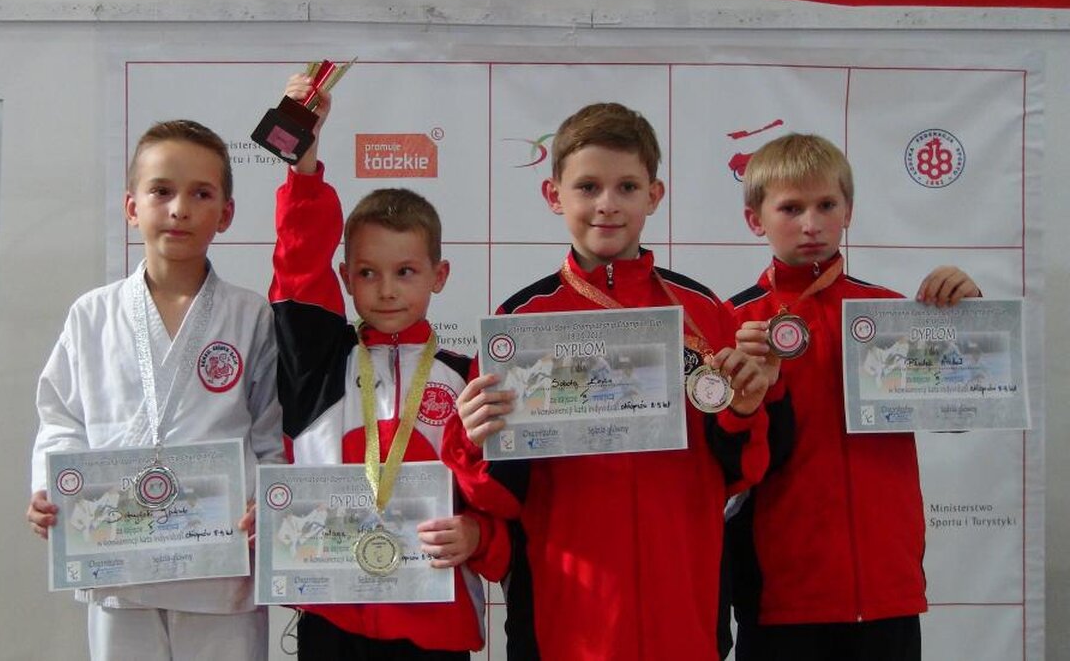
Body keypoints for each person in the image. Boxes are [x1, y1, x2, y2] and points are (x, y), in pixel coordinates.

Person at [445, 102, 778, 661]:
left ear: (654, 195)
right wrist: (477, 440)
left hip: (683, 603)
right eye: (588, 187)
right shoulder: (519, 325)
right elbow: (495, 495)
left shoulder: (704, 314)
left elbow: (741, 473)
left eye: (627, 187)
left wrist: (743, 411)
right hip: (567, 614)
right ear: (554, 195)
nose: (607, 204)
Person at [264, 73, 509, 660]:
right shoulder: (320, 367)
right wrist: (302, 167)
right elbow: (299, 267)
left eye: (406, 272)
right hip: (334, 617)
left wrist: (480, 535)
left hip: (435, 623)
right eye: (368, 273)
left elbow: (500, 491)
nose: (387, 289)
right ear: (345, 278)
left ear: (439, 276)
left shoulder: (468, 377)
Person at [26, 119, 284, 660]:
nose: (179, 209)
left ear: (226, 213)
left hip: (220, 569)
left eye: (201, 194)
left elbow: (271, 430)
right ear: (131, 206)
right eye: (161, 191)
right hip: (118, 563)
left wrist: (267, 501)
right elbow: (61, 418)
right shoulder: (92, 315)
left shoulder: (249, 314)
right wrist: (52, 488)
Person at [725, 132, 981, 661]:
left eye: (826, 205)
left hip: (887, 587)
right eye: (791, 208)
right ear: (755, 219)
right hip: (780, 594)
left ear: (849, 211)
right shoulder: (733, 325)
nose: (811, 224)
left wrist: (968, 320)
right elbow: (722, 468)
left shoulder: (893, 313)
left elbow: (960, 411)